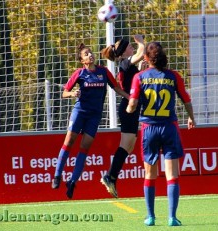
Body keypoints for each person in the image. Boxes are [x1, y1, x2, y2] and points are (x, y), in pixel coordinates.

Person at [126, 42, 196, 226]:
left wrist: (128, 108)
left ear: (146, 58)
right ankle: (172, 217)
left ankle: (150, 217)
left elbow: (132, 105)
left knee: (150, 174)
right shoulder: (173, 76)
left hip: (149, 129)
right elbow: (186, 99)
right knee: (172, 174)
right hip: (169, 128)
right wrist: (191, 118)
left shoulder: (140, 76)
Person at [52, 43, 129, 199]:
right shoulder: (79, 73)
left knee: (84, 147)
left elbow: (116, 88)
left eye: (90, 53)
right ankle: (57, 175)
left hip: (94, 116)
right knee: (69, 141)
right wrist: (72, 94)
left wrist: (130, 97)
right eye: (86, 54)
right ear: (82, 61)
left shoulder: (103, 72)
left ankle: (72, 181)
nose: (90, 55)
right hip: (79, 112)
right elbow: (64, 93)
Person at [100, 35, 145, 198]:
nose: (132, 47)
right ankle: (109, 176)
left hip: (131, 108)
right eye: (129, 46)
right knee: (125, 145)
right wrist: (141, 43)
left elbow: (134, 79)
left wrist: (141, 66)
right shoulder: (125, 62)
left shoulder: (127, 65)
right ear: (124, 52)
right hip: (127, 109)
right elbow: (141, 53)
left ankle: (112, 177)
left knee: (129, 146)